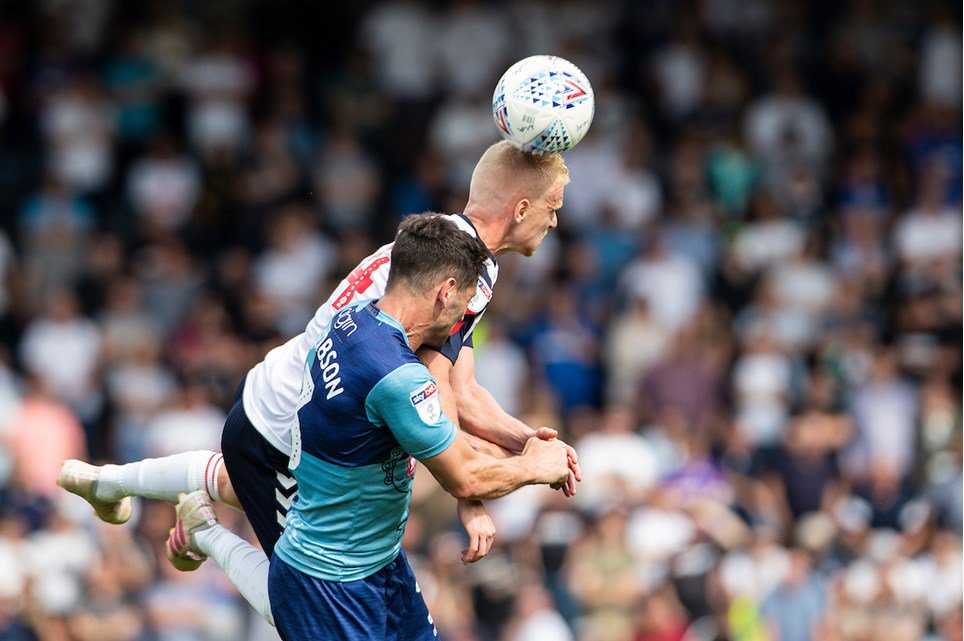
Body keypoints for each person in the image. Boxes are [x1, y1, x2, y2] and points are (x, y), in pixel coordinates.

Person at [59, 141, 579, 621]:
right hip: (295, 430)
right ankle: (201, 533)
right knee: (307, 603)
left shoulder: (443, 245)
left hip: (275, 394)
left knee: (235, 486)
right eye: (553, 207)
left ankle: (108, 482)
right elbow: (437, 401)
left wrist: (525, 440)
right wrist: (480, 493)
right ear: (522, 209)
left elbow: (459, 389)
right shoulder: (461, 275)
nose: (556, 221)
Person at [253, 213, 570, 639]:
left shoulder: (353, 321)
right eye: (464, 308)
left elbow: (445, 441)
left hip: (379, 560)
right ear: (446, 292)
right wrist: (538, 467)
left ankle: (204, 534)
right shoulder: (396, 377)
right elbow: (466, 477)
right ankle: (208, 537)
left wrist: (523, 444)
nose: (461, 323)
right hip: (330, 583)